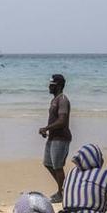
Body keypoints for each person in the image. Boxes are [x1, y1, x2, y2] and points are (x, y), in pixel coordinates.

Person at [39, 74, 72, 203]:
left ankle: (62, 193)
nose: (49, 86)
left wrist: (46, 128)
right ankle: (64, 188)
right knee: (48, 163)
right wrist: (48, 130)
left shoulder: (62, 100)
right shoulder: (54, 100)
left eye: (51, 84)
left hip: (61, 138)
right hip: (52, 137)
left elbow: (62, 121)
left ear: (58, 86)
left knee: (58, 166)